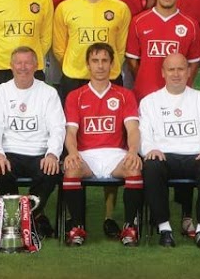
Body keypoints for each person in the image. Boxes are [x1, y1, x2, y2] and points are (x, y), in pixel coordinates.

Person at [62, 43, 143, 246]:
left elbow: (133, 129)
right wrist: (72, 152)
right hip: (86, 155)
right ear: (88, 64)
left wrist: (133, 151)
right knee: (71, 168)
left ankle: (129, 228)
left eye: (105, 61)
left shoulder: (125, 95)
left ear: (112, 64)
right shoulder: (75, 96)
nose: (100, 66)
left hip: (116, 155)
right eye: (95, 61)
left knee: (134, 167)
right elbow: (70, 132)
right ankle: (77, 227)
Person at [140, 53, 200, 248]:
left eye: (180, 69)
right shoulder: (149, 101)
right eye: (171, 69)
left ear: (188, 72)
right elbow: (144, 133)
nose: (176, 74)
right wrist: (150, 149)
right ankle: (164, 229)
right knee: (151, 166)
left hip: (195, 155)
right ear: (163, 73)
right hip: (165, 156)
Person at [0, 46, 65, 238]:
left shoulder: (48, 93)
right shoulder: (0, 93)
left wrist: (52, 154)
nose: (23, 67)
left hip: (39, 153)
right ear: (11, 66)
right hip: (10, 153)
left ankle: (28, 216)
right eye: (18, 63)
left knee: (51, 171)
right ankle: (21, 217)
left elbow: (57, 127)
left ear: (36, 66)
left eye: (28, 63)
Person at [52, 0, 131, 101]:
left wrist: (104, 68)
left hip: (109, 77)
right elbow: (59, 48)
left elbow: (120, 49)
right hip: (74, 78)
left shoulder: (120, 8)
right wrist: (76, 67)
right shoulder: (65, 7)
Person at [126, 0, 200, 101]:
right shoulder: (138, 21)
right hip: (146, 95)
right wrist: (144, 81)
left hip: (178, 95)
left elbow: (193, 62)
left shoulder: (191, 25)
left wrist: (183, 86)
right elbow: (132, 60)